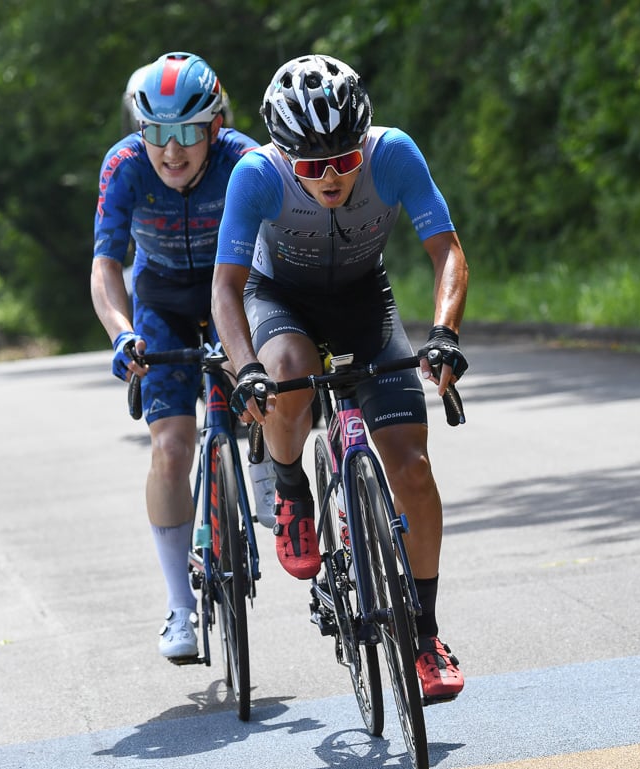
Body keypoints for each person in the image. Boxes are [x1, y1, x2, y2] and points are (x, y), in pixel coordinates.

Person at [211, 54, 469, 701]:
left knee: (412, 467)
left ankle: (426, 634)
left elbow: (448, 254)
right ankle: (292, 486)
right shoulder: (256, 175)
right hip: (281, 300)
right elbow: (227, 289)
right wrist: (246, 370)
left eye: (344, 160)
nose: (329, 177)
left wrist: (443, 334)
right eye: (311, 165)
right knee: (289, 375)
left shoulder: (395, 154)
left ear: (364, 144)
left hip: (362, 301)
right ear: (284, 154)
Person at [90, 52, 269, 663]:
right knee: (170, 448)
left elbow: (278, 252)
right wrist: (120, 334)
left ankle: (268, 466)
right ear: (140, 132)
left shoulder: (244, 160)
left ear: (215, 127)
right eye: (157, 134)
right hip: (161, 300)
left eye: (187, 132)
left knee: (260, 395)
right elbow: (106, 267)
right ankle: (179, 606)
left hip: (233, 288)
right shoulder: (123, 167)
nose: (171, 151)